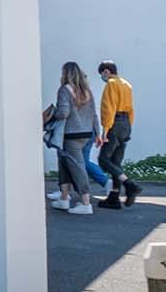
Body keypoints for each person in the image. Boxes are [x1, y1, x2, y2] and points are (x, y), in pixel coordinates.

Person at [50, 62, 101, 215]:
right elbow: (93, 114)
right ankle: (64, 198)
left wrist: (53, 114)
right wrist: (97, 133)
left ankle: (86, 203)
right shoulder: (87, 91)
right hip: (86, 133)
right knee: (65, 163)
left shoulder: (64, 90)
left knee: (77, 167)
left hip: (70, 134)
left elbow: (64, 113)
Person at [95, 61, 143, 209]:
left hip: (114, 123)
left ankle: (130, 184)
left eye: (102, 73)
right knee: (116, 162)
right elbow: (131, 109)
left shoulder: (111, 84)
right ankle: (114, 197)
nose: (102, 77)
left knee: (103, 160)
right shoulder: (126, 84)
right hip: (125, 123)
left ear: (106, 72)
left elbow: (108, 108)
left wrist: (105, 131)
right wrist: (128, 127)